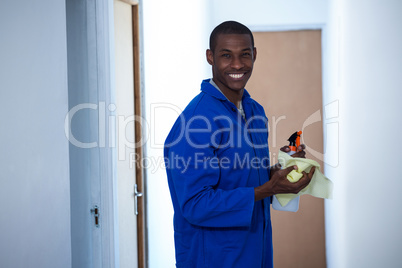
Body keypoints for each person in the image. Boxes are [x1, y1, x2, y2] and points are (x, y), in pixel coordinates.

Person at [164, 21, 315, 268]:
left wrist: (277, 174)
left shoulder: (255, 112)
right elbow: (195, 204)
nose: (237, 65)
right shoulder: (196, 123)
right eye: (226, 56)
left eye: (244, 54)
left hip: (257, 251)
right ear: (210, 57)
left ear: (254, 54)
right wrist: (268, 189)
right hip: (214, 258)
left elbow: (239, 177)